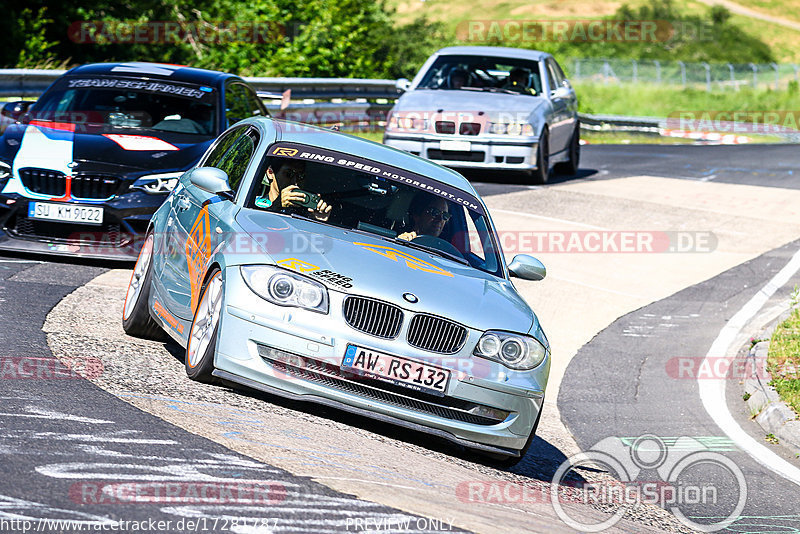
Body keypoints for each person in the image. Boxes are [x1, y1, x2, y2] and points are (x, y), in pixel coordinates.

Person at [254, 158, 331, 221]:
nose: (295, 182)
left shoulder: (307, 213)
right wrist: (276, 207)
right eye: (289, 174)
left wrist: (317, 222)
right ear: (270, 173)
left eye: (301, 176)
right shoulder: (252, 204)